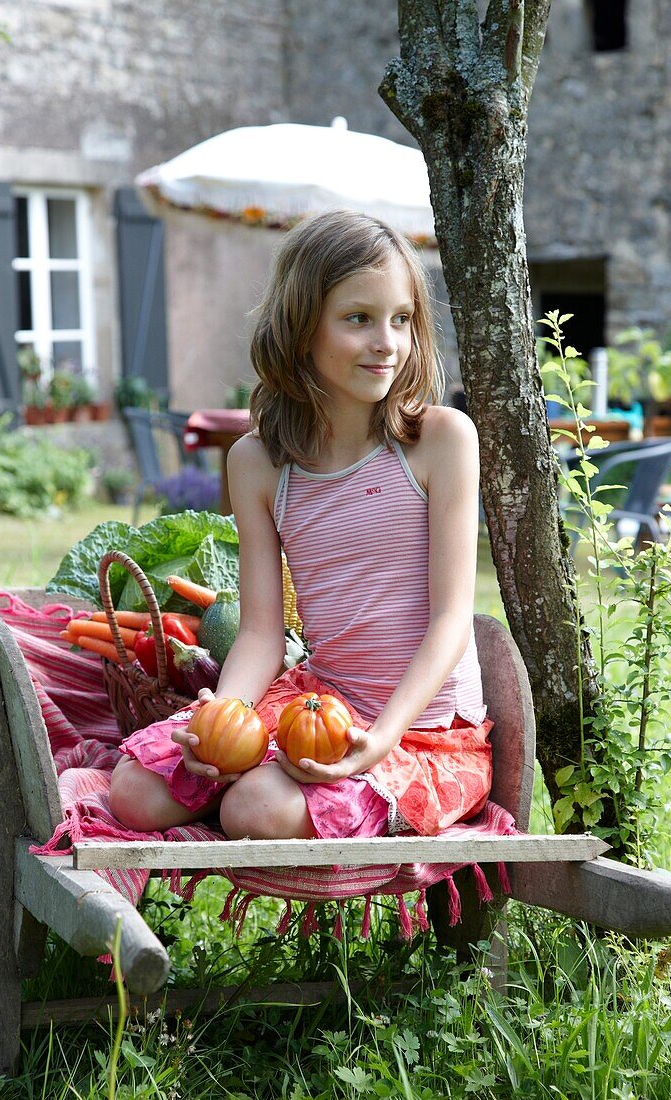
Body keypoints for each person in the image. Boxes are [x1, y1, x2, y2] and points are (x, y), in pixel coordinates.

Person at [109, 209, 492, 841]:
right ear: (300, 327)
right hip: (319, 703)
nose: (386, 342)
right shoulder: (259, 464)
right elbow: (262, 629)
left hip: (423, 726)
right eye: (357, 319)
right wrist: (226, 713)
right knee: (137, 791)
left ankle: (273, 794)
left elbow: (451, 619)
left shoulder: (439, 440)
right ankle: (248, 782)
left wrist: (379, 742)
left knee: (254, 810)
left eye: (400, 319)